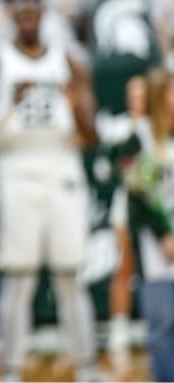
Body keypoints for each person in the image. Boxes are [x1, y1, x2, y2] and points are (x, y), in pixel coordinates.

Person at [0, 0, 98, 381]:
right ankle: (13, 371)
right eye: (19, 12)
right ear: (11, 16)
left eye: (33, 11)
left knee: (70, 274)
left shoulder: (69, 61)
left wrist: (79, 112)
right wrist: (9, 105)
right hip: (17, 171)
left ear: (42, 14)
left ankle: (87, 368)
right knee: (19, 277)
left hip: (62, 169)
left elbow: (91, 137)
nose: (27, 17)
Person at [120, 67, 174, 382]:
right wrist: (164, 233)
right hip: (157, 246)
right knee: (163, 322)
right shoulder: (140, 138)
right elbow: (139, 195)